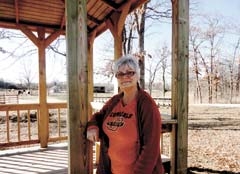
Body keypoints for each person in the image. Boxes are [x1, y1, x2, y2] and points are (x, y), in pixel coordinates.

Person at [86, 55, 164, 174]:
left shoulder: (146, 104)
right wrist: (92, 127)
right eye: (120, 74)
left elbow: (150, 149)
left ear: (137, 75)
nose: (124, 77)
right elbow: (98, 116)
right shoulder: (115, 101)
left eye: (129, 73)